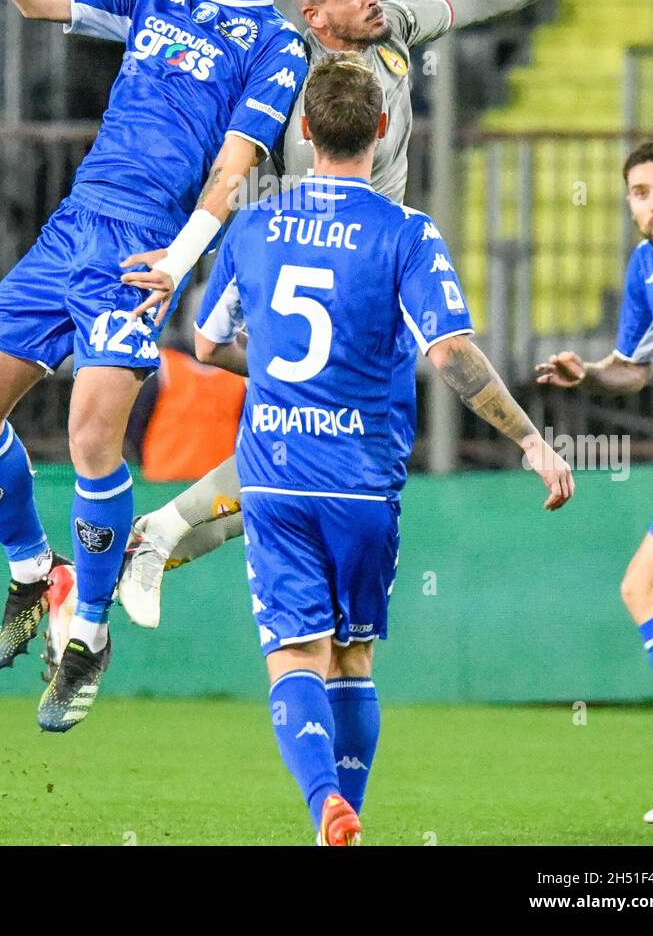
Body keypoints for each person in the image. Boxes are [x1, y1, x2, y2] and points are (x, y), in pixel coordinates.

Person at [120, 0, 647, 627]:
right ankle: (188, 551)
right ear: (316, 17)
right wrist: (185, 244)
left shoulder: (393, 29)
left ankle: (160, 537)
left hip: (367, 269)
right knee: (315, 444)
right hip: (299, 259)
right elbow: (231, 165)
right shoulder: (285, 69)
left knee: (307, 458)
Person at [0, 0, 308, 731]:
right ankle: (32, 575)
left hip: (143, 253)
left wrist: (183, 259)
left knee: (93, 435)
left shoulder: (278, 45)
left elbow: (233, 169)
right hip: (72, 229)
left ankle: (86, 635)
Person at [193, 54, 573, 844]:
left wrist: (274, 372)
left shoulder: (255, 219)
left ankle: (321, 803)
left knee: (295, 654)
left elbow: (205, 340)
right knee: (355, 657)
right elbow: (451, 355)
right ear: (382, 127)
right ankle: (349, 813)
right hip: (362, 480)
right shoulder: (405, 232)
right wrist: (532, 439)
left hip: (273, 473)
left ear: (302, 131)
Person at [537, 140, 653, 823]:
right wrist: (590, 372)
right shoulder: (645, 268)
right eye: (641, 193)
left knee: (648, 585)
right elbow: (633, 367)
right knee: (646, 586)